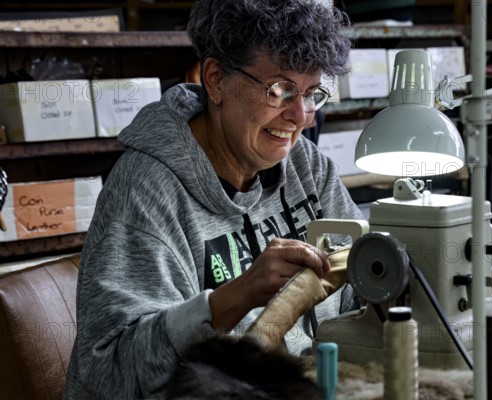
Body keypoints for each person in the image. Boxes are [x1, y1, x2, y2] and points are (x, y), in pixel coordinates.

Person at [63, 0, 363, 398]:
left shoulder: (307, 166)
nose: (301, 116)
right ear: (216, 79)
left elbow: (364, 292)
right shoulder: (146, 193)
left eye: (312, 94)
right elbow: (110, 376)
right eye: (281, 90)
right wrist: (236, 296)